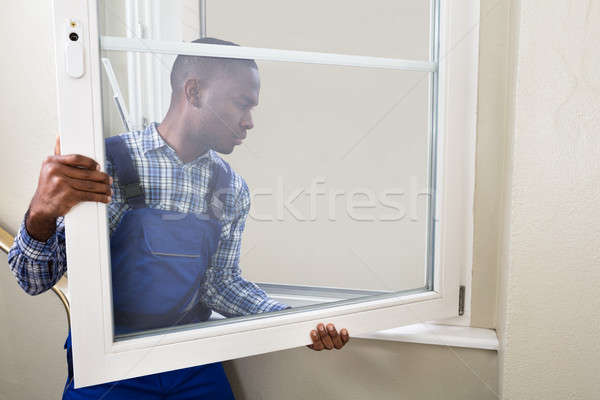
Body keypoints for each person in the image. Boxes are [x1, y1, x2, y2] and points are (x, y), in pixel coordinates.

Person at [8, 37, 349, 399]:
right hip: (107, 365)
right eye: (241, 104)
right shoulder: (103, 165)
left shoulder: (230, 187)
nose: (249, 122)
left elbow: (219, 284)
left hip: (191, 361)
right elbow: (32, 280)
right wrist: (41, 212)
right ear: (195, 91)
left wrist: (292, 323)